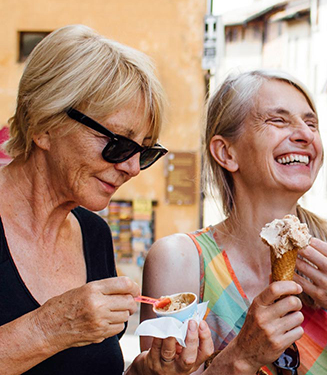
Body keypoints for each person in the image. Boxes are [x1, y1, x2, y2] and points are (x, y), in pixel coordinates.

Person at [141, 69, 327, 374]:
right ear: (226, 152)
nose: (305, 135)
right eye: (278, 121)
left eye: (312, 124)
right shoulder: (180, 261)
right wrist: (241, 356)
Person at [0, 25, 213, 375]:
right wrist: (50, 327)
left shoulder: (94, 235)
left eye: (144, 152)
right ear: (44, 125)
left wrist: (150, 370)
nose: (132, 168)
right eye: (119, 143)